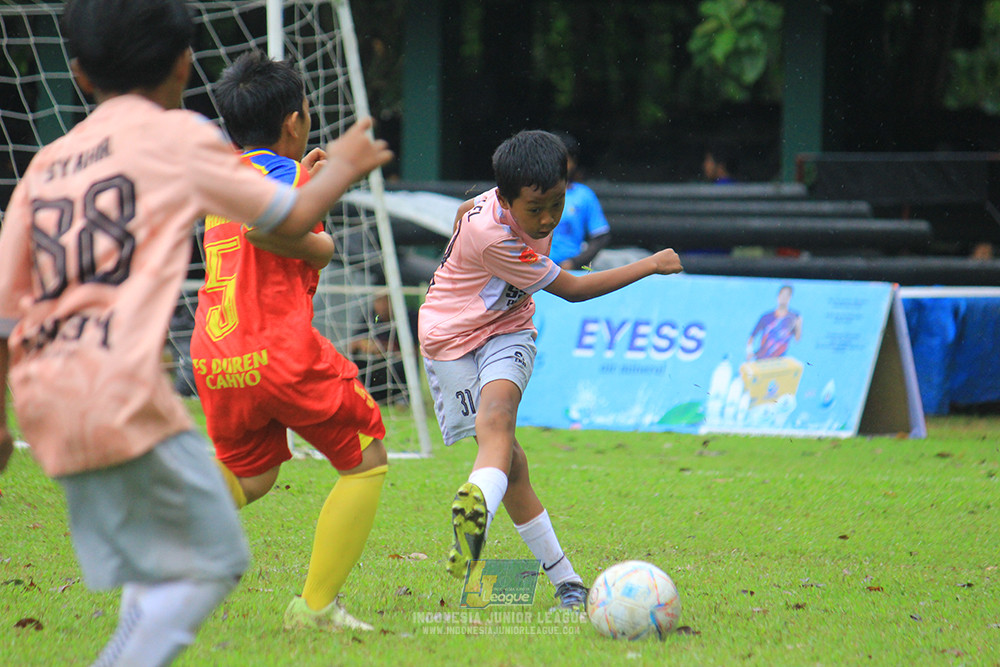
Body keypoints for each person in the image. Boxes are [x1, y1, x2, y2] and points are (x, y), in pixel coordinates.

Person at [0, 0, 392, 663]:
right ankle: (314, 605)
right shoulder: (184, 142)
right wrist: (343, 170)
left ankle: (139, 611)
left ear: (80, 75)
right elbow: (291, 223)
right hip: (166, 376)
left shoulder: (47, 165)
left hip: (84, 388)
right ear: (185, 63)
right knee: (354, 465)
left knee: (251, 479)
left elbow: (8, 308)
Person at [418, 130, 683, 610]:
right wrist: (651, 264)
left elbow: (463, 210)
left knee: (497, 422)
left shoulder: (503, 193)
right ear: (505, 198)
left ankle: (489, 526)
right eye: (534, 210)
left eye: (555, 204)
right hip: (449, 342)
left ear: (567, 183)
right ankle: (560, 575)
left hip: (506, 331)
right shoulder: (493, 236)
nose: (546, 219)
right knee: (511, 462)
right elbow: (573, 290)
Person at [189, 49, 389, 633]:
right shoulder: (282, 178)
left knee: (254, 475)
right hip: (277, 348)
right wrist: (322, 240)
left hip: (216, 355)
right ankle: (316, 608)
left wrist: (312, 180)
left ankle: (159, 539)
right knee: (368, 458)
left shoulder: (229, 173)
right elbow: (271, 229)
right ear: (294, 123)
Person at [548, 132, 611, 270]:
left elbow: (601, 236)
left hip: (568, 269)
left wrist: (574, 263)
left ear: (573, 162)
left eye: (564, 160)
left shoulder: (584, 195)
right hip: (535, 268)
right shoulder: (531, 192)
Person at [746, 285, 803, 360]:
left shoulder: (794, 317)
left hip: (779, 362)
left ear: (790, 298)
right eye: (782, 294)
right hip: (762, 360)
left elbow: (797, 339)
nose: (784, 297)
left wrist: (798, 325)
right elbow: (752, 337)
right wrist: (749, 352)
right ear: (778, 296)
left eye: (787, 295)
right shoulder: (766, 317)